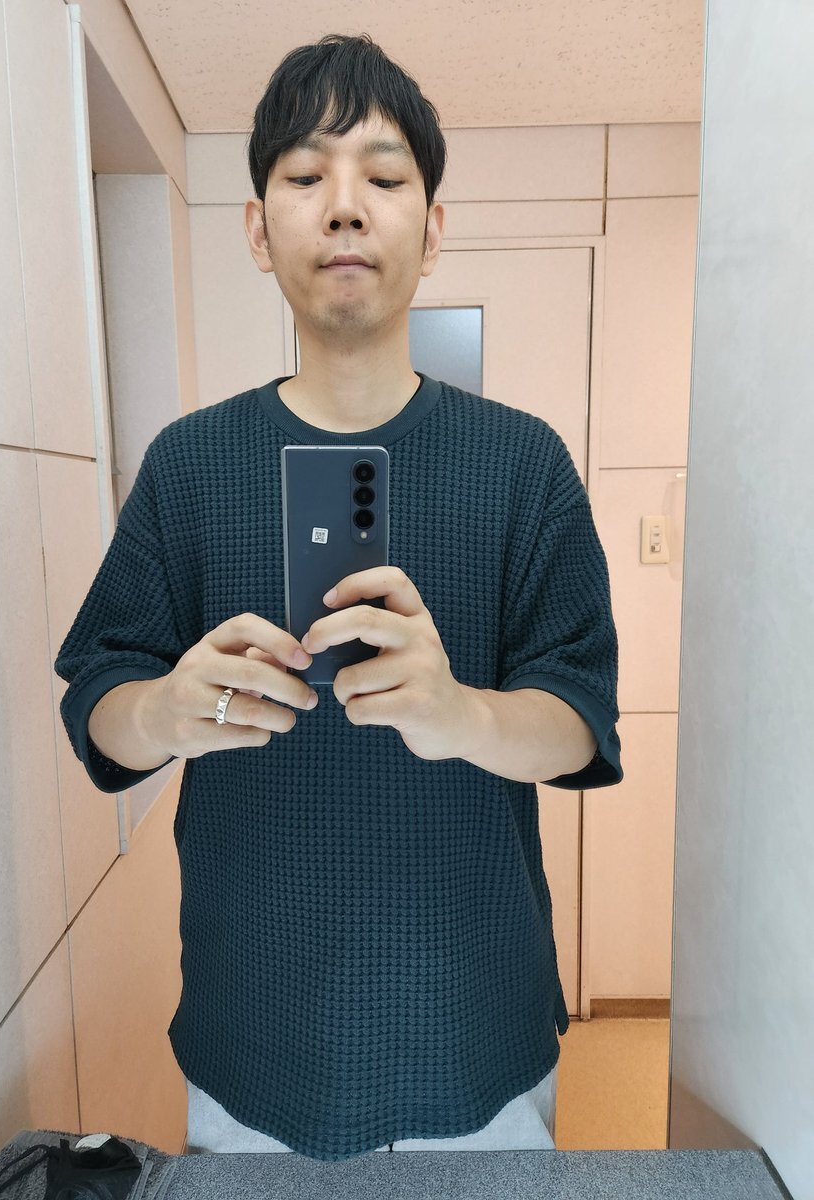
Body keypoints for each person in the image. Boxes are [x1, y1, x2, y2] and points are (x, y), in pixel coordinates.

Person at [54, 32, 623, 1162]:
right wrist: (165, 709)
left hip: (477, 1031)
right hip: (252, 1036)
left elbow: (580, 722)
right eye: (307, 175)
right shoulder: (190, 464)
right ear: (258, 229)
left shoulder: (523, 464)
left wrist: (459, 713)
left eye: (385, 177)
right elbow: (97, 704)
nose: (346, 207)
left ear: (434, 228)